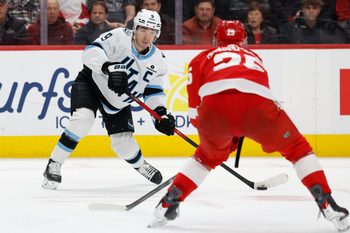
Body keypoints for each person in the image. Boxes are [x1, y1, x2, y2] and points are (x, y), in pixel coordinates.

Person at [148, 20, 350, 232]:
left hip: (213, 113)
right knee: (298, 150)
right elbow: (257, 96)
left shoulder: (201, 58)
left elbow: (194, 111)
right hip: (258, 107)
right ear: (244, 40)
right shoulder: (253, 56)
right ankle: (326, 201)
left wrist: (219, 142)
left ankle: (168, 202)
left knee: (205, 158)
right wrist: (241, 128)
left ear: (216, 39)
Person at [42, 9, 175, 190]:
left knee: (123, 143)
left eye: (152, 32)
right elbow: (90, 51)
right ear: (135, 28)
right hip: (91, 83)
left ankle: (140, 164)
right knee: (83, 119)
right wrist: (108, 67)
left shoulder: (158, 60)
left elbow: (153, 92)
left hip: (118, 101)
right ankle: (54, 164)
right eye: (143, 30)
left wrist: (160, 114)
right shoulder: (119, 36)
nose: (147, 36)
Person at [279, 0, 347, 44]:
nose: (311, 11)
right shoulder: (290, 28)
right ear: (302, 9)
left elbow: (339, 42)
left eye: (315, 8)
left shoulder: (328, 27)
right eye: (308, 8)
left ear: (319, 10)